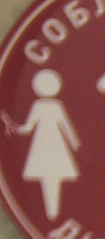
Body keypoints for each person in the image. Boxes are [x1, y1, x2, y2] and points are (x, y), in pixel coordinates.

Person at [10, 69, 80, 222]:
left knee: (51, 176)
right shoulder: (51, 106)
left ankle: (53, 214)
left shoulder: (43, 106)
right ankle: (52, 214)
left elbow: (29, 127)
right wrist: (75, 144)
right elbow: (66, 127)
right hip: (51, 146)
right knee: (51, 176)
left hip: (46, 146)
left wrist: (16, 127)